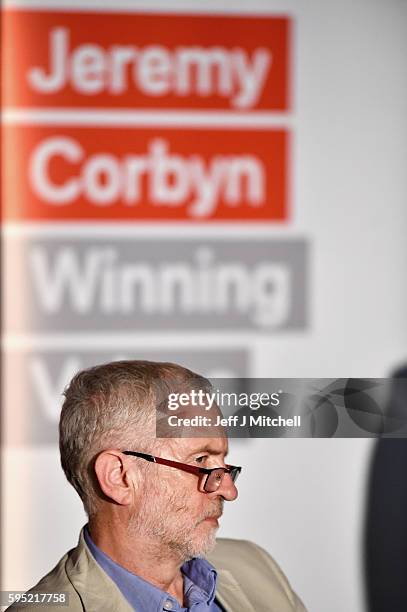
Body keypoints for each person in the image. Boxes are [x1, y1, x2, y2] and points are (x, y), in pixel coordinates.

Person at [9, 360, 307, 611]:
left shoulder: (255, 566)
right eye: (201, 460)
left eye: (223, 464)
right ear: (119, 477)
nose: (229, 490)